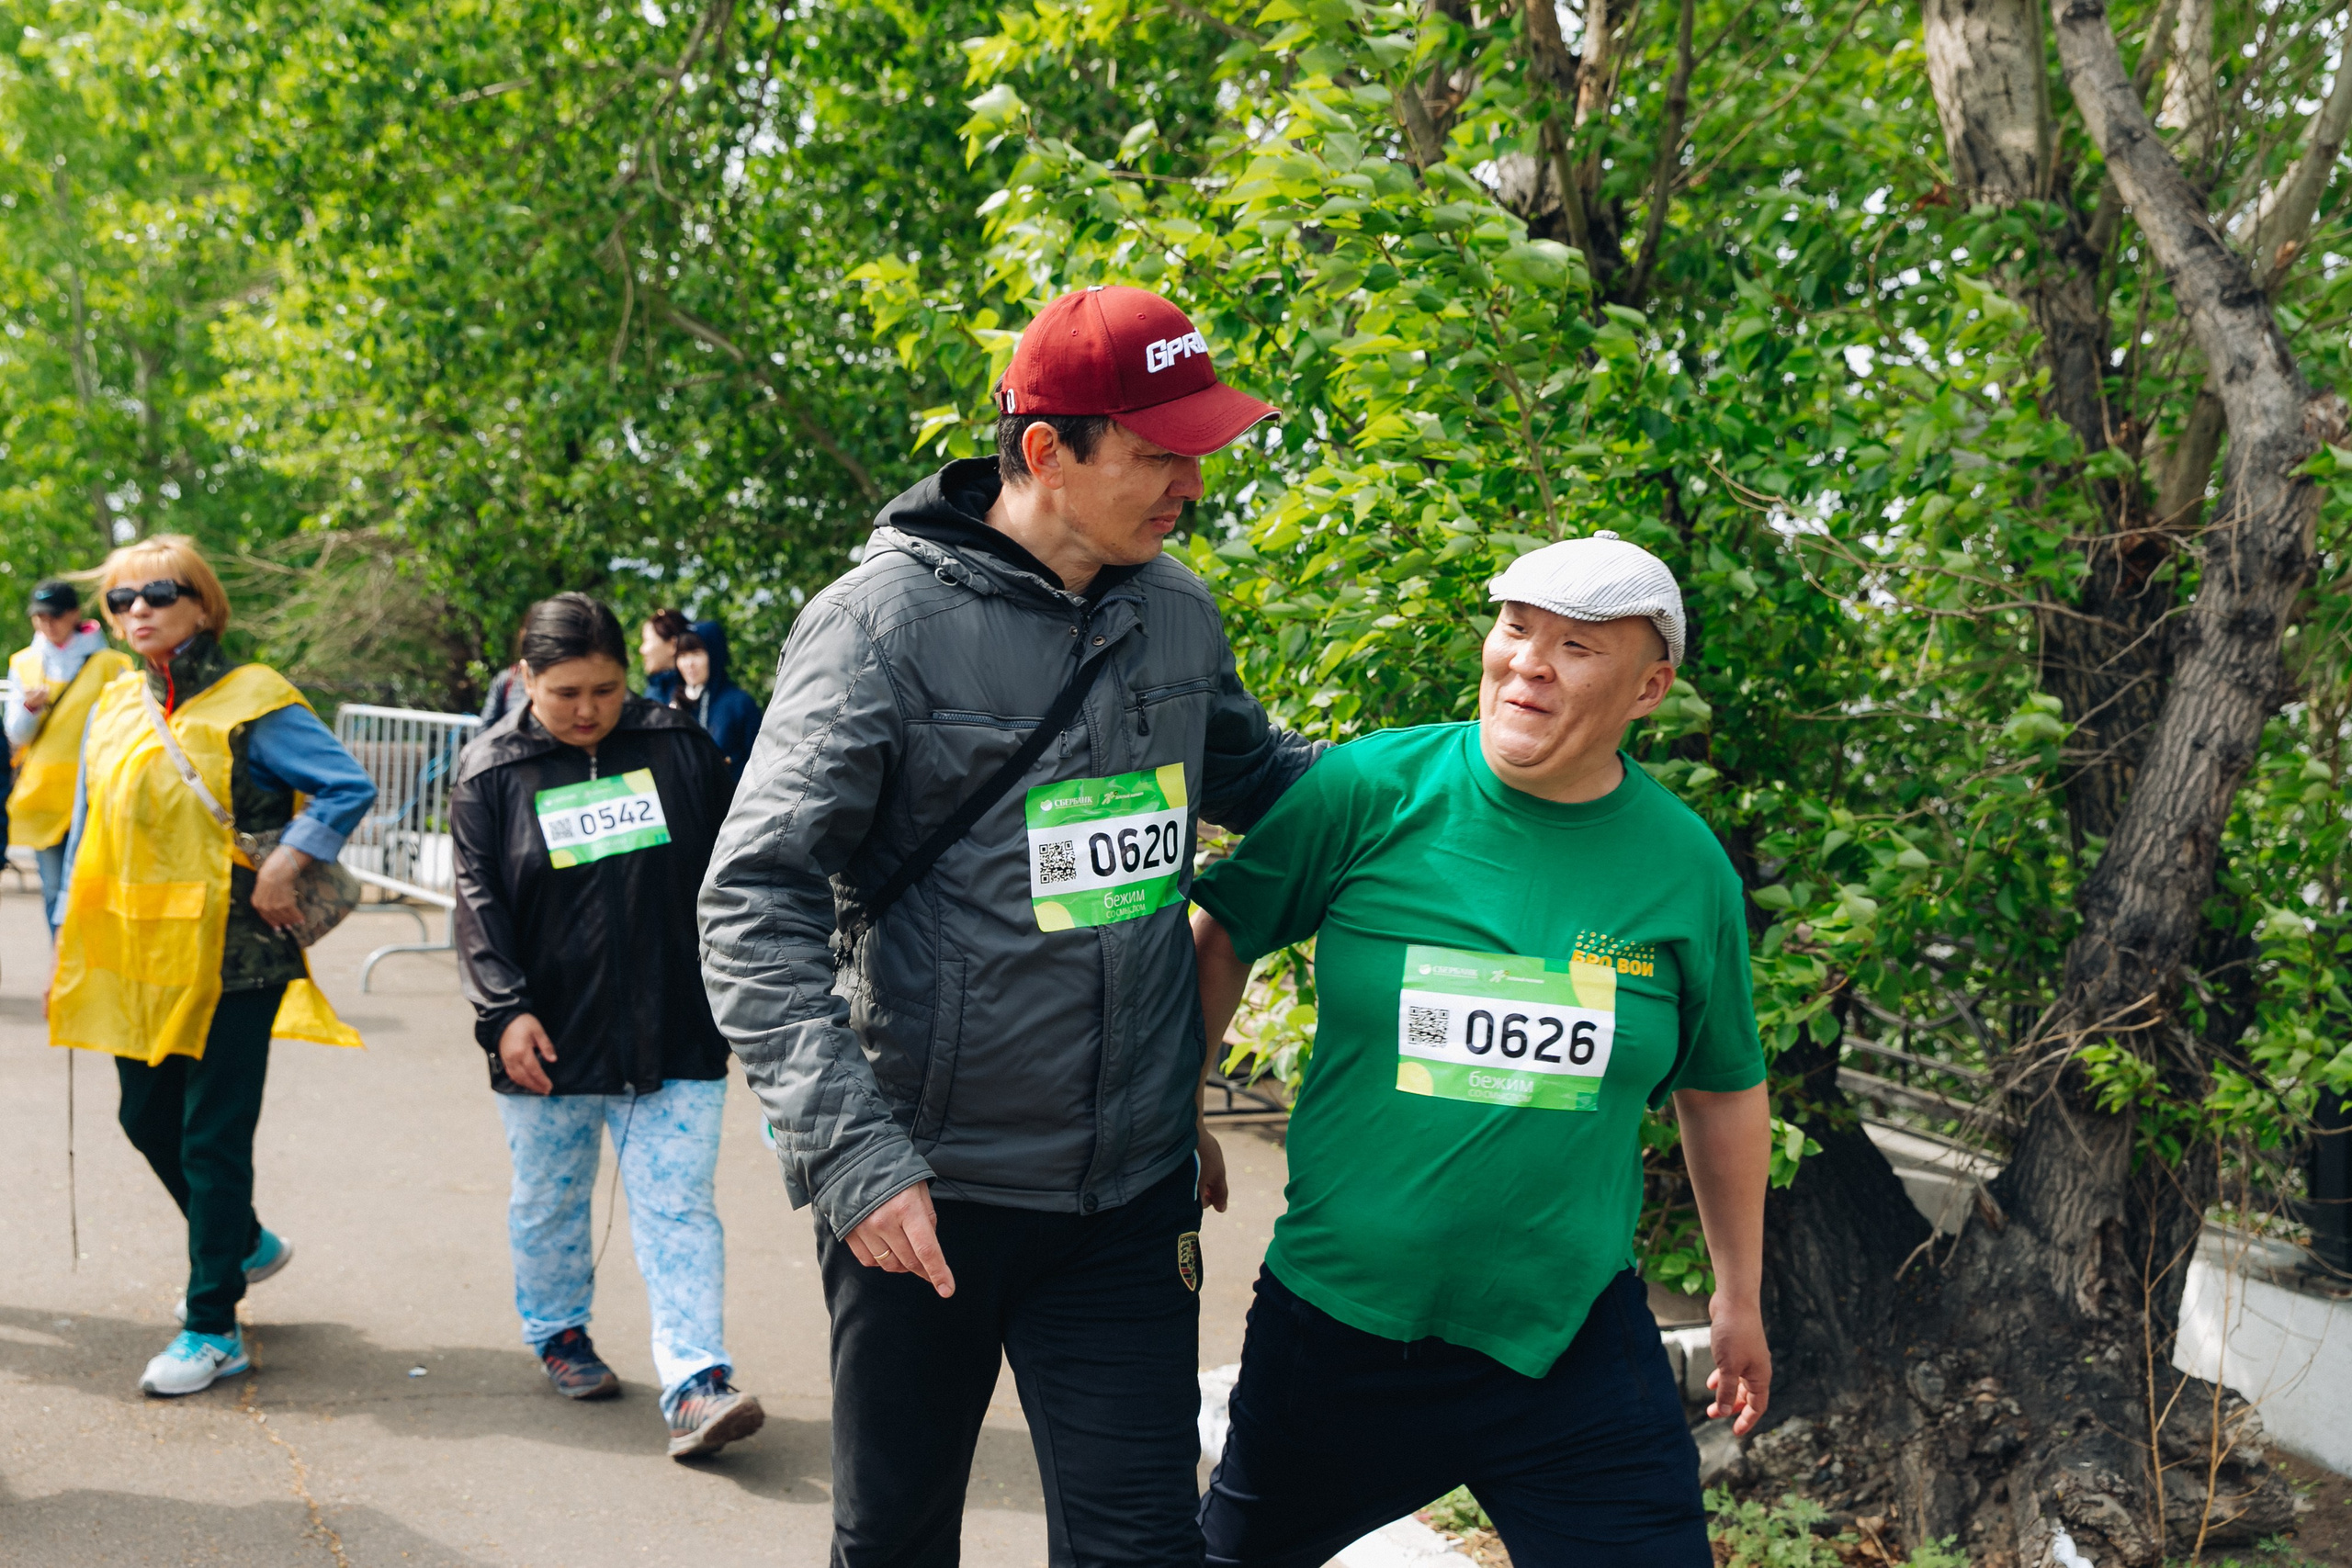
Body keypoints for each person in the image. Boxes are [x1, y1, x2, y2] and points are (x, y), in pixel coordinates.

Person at [700, 284, 1320, 1568]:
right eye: (1160, 453)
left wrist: (1469, 776)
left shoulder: (1174, 609)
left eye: (1199, 451)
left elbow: (1268, 781)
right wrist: (856, 1159)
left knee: (1144, 1545)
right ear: (1046, 450)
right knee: (897, 1541)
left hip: (1128, 1197)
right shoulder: (879, 626)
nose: (1192, 484)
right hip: (927, 1193)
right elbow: (750, 900)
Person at [1186, 535, 1773, 1568]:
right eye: (1516, 628)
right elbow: (1223, 930)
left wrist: (1737, 1297)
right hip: (1340, 1329)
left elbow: (1721, 1087)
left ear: (1650, 688)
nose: (1530, 663)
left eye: (1577, 647)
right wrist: (1178, 1106)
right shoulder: (1372, 789)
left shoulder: (1685, 868)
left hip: (1566, 1343)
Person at [47, 536, 377, 1398]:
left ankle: (212, 1323)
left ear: (203, 605)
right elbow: (89, 829)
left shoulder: (254, 699)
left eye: (160, 593)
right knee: (143, 1116)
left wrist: (288, 859)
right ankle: (244, 1242)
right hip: (136, 957)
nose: (139, 610)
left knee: (211, 1135)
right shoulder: (115, 703)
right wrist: (65, 938)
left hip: (238, 956)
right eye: (121, 599)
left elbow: (346, 784)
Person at [451, 592, 763, 1460]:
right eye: (566, 693)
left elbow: (733, 872)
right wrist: (503, 1011)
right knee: (550, 1197)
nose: (588, 711)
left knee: (680, 1208)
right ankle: (559, 1331)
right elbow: (476, 902)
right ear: (526, 680)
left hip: (676, 1028)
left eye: (605, 689)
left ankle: (697, 1382)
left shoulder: (679, 747)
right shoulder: (490, 769)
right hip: (543, 1036)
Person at [8, 580, 132, 933]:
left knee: (93, 888)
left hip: (95, 794)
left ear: (75, 614)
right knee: (53, 892)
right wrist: (29, 710)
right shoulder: (24, 662)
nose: (47, 624)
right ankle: (60, 962)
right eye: (40, 617)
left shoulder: (112, 663)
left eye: (55, 615)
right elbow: (15, 734)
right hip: (44, 797)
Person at [665, 626, 762, 788]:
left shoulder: (739, 703)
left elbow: (760, 762)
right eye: (682, 655)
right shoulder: (676, 705)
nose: (689, 664)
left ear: (713, 654)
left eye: (696, 654)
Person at [639, 607, 690, 706]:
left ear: (672, 645)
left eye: (647, 641)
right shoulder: (654, 689)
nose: (642, 650)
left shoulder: (693, 693)